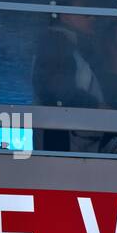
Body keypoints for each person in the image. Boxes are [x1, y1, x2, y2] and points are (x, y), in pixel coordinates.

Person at [32, 11, 104, 152]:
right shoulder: (55, 43)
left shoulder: (69, 46)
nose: (93, 17)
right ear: (65, 17)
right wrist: (98, 106)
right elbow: (57, 90)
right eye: (85, 13)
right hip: (62, 142)